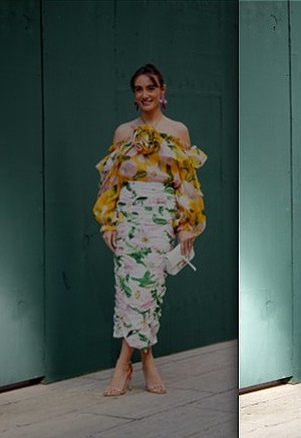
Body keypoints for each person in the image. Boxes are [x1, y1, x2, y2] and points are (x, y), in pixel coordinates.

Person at [93, 64, 207, 396]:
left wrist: (186, 226)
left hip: (160, 218)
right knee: (129, 289)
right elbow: (110, 185)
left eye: (151, 88)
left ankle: (126, 362)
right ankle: (143, 361)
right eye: (139, 89)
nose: (145, 95)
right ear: (135, 95)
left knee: (151, 290)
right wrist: (107, 224)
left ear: (162, 91)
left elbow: (187, 183)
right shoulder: (122, 133)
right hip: (128, 217)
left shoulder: (178, 130)